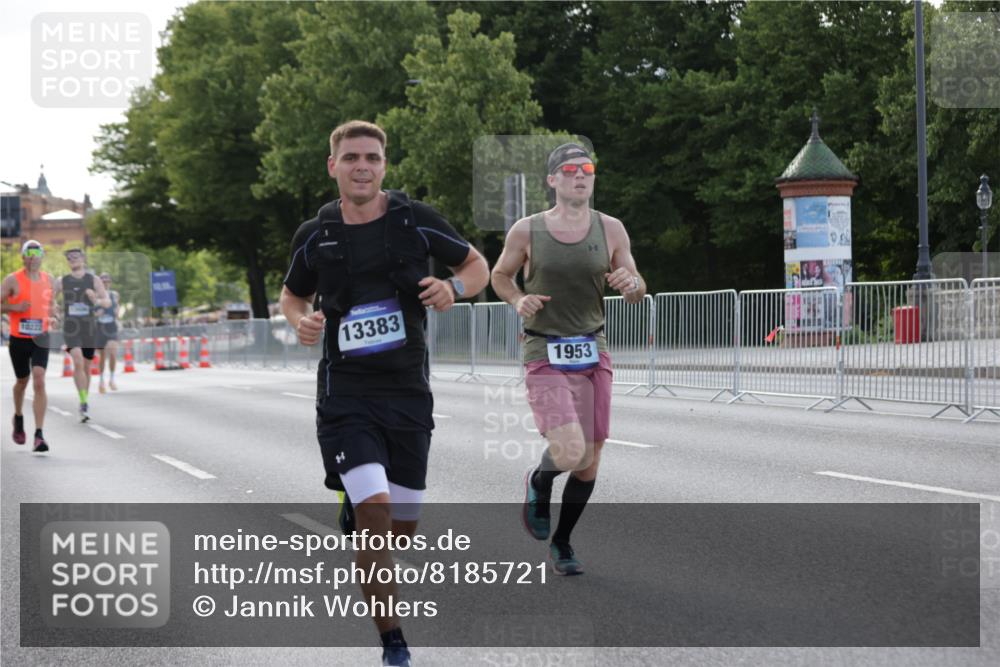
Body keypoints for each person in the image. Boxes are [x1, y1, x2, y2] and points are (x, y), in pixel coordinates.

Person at [280, 120, 489, 667]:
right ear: (333, 167)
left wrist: (454, 287)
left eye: (371, 157)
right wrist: (301, 321)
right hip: (345, 393)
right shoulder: (316, 232)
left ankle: (359, 501)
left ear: (384, 165)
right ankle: (392, 638)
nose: (362, 166)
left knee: (402, 524)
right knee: (375, 507)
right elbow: (291, 295)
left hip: (407, 391)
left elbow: (476, 266)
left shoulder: (414, 221)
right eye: (350, 157)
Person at [491, 142, 646, 575]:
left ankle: (562, 543)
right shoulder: (527, 230)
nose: (581, 175)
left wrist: (630, 283)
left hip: (592, 348)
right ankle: (539, 482)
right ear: (553, 180)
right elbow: (499, 275)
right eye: (571, 169)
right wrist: (518, 299)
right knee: (570, 449)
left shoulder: (611, 228)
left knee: (589, 460)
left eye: (588, 169)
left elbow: (637, 287)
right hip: (544, 349)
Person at [1, 240, 57, 451]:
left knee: (40, 380)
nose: (33, 257)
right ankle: (18, 417)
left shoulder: (49, 280)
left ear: (42, 256)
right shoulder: (12, 280)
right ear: (23, 257)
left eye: (37, 253)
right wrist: (14, 306)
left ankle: (39, 434)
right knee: (22, 381)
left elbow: (51, 306)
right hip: (19, 338)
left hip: (41, 337)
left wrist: (54, 316)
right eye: (29, 253)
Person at [58, 248, 110, 422]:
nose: (73, 259)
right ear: (68, 262)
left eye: (76, 257)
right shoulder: (62, 281)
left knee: (87, 367)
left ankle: (84, 400)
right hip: (71, 327)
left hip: (89, 327)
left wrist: (96, 298)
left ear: (83, 259)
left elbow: (107, 301)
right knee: (78, 361)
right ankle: (82, 401)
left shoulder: (93, 280)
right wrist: (53, 311)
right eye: (70, 257)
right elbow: (48, 299)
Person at [94, 272, 121, 393]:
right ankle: (101, 381)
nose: (105, 284)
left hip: (111, 326)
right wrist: (95, 314)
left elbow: (117, 309)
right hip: (99, 327)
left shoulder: (114, 295)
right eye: (103, 282)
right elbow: (90, 313)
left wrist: (117, 311)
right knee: (102, 356)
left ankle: (112, 379)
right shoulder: (94, 296)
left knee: (113, 352)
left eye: (107, 282)